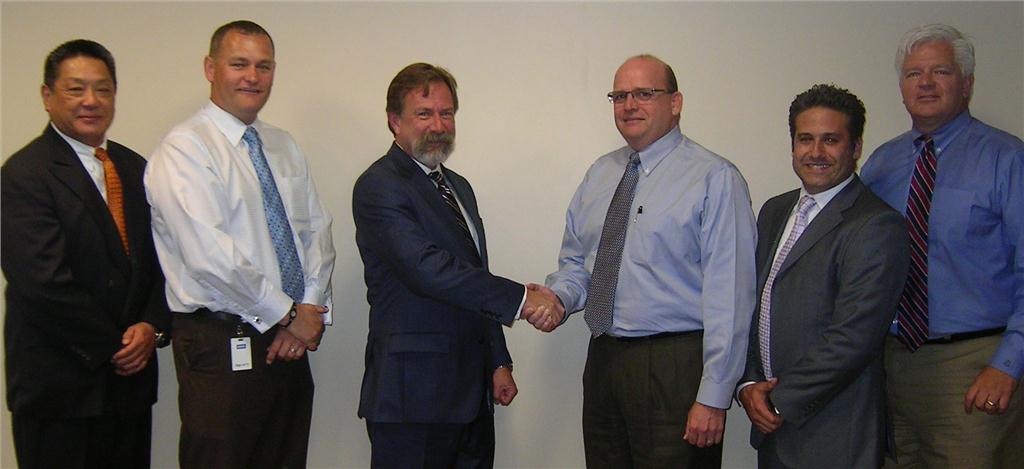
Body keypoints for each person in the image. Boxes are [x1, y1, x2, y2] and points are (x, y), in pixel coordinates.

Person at [539, 54, 757, 468]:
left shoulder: (714, 178)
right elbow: (577, 263)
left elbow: (730, 295)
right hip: (604, 360)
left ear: (675, 102)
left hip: (676, 367)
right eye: (619, 95)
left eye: (644, 93)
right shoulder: (600, 175)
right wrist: (559, 299)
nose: (629, 105)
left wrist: (713, 395)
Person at [144, 20, 335, 468]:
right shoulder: (185, 150)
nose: (252, 76)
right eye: (239, 64)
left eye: (263, 66)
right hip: (218, 342)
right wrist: (287, 314)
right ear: (211, 68)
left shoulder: (282, 145)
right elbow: (209, 257)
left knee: (285, 457)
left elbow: (318, 234)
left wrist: (306, 310)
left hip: (286, 341)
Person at [352, 62, 562, 469]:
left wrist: (498, 361)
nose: (438, 125)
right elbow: (427, 269)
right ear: (395, 122)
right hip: (412, 398)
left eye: (446, 113)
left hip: (471, 396)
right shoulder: (379, 186)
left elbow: (473, 276)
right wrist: (522, 298)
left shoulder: (458, 187)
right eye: (424, 114)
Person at [1, 39, 171, 468]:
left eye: (103, 89)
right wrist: (115, 344)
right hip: (60, 391)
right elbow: (42, 285)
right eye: (76, 89)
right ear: (47, 96)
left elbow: (162, 260)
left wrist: (151, 325)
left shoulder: (134, 168)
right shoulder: (24, 174)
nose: (91, 101)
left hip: (129, 392)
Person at [860, 23, 1024, 467]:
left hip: (973, 365)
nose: (926, 83)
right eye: (914, 74)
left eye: (941, 72)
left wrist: (1007, 365)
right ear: (901, 87)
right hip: (894, 363)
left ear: (966, 83)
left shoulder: (1007, 159)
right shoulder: (881, 163)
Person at [738, 84, 909, 468]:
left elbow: (853, 338)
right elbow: (755, 306)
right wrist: (748, 384)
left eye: (830, 140)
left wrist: (779, 400)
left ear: (856, 147)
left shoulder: (877, 225)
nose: (815, 152)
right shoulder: (775, 211)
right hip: (773, 432)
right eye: (805, 139)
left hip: (834, 432)